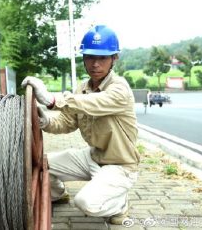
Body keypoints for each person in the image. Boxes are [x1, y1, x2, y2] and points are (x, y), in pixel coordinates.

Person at [21, 25, 140, 225]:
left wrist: (52, 100)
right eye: (90, 57)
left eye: (102, 58)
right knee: (41, 164)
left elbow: (94, 103)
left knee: (86, 203)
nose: (95, 64)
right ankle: (57, 193)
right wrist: (45, 121)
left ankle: (120, 204)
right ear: (83, 58)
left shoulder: (120, 89)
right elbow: (68, 122)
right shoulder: (82, 89)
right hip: (92, 157)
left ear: (114, 59)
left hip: (120, 165)